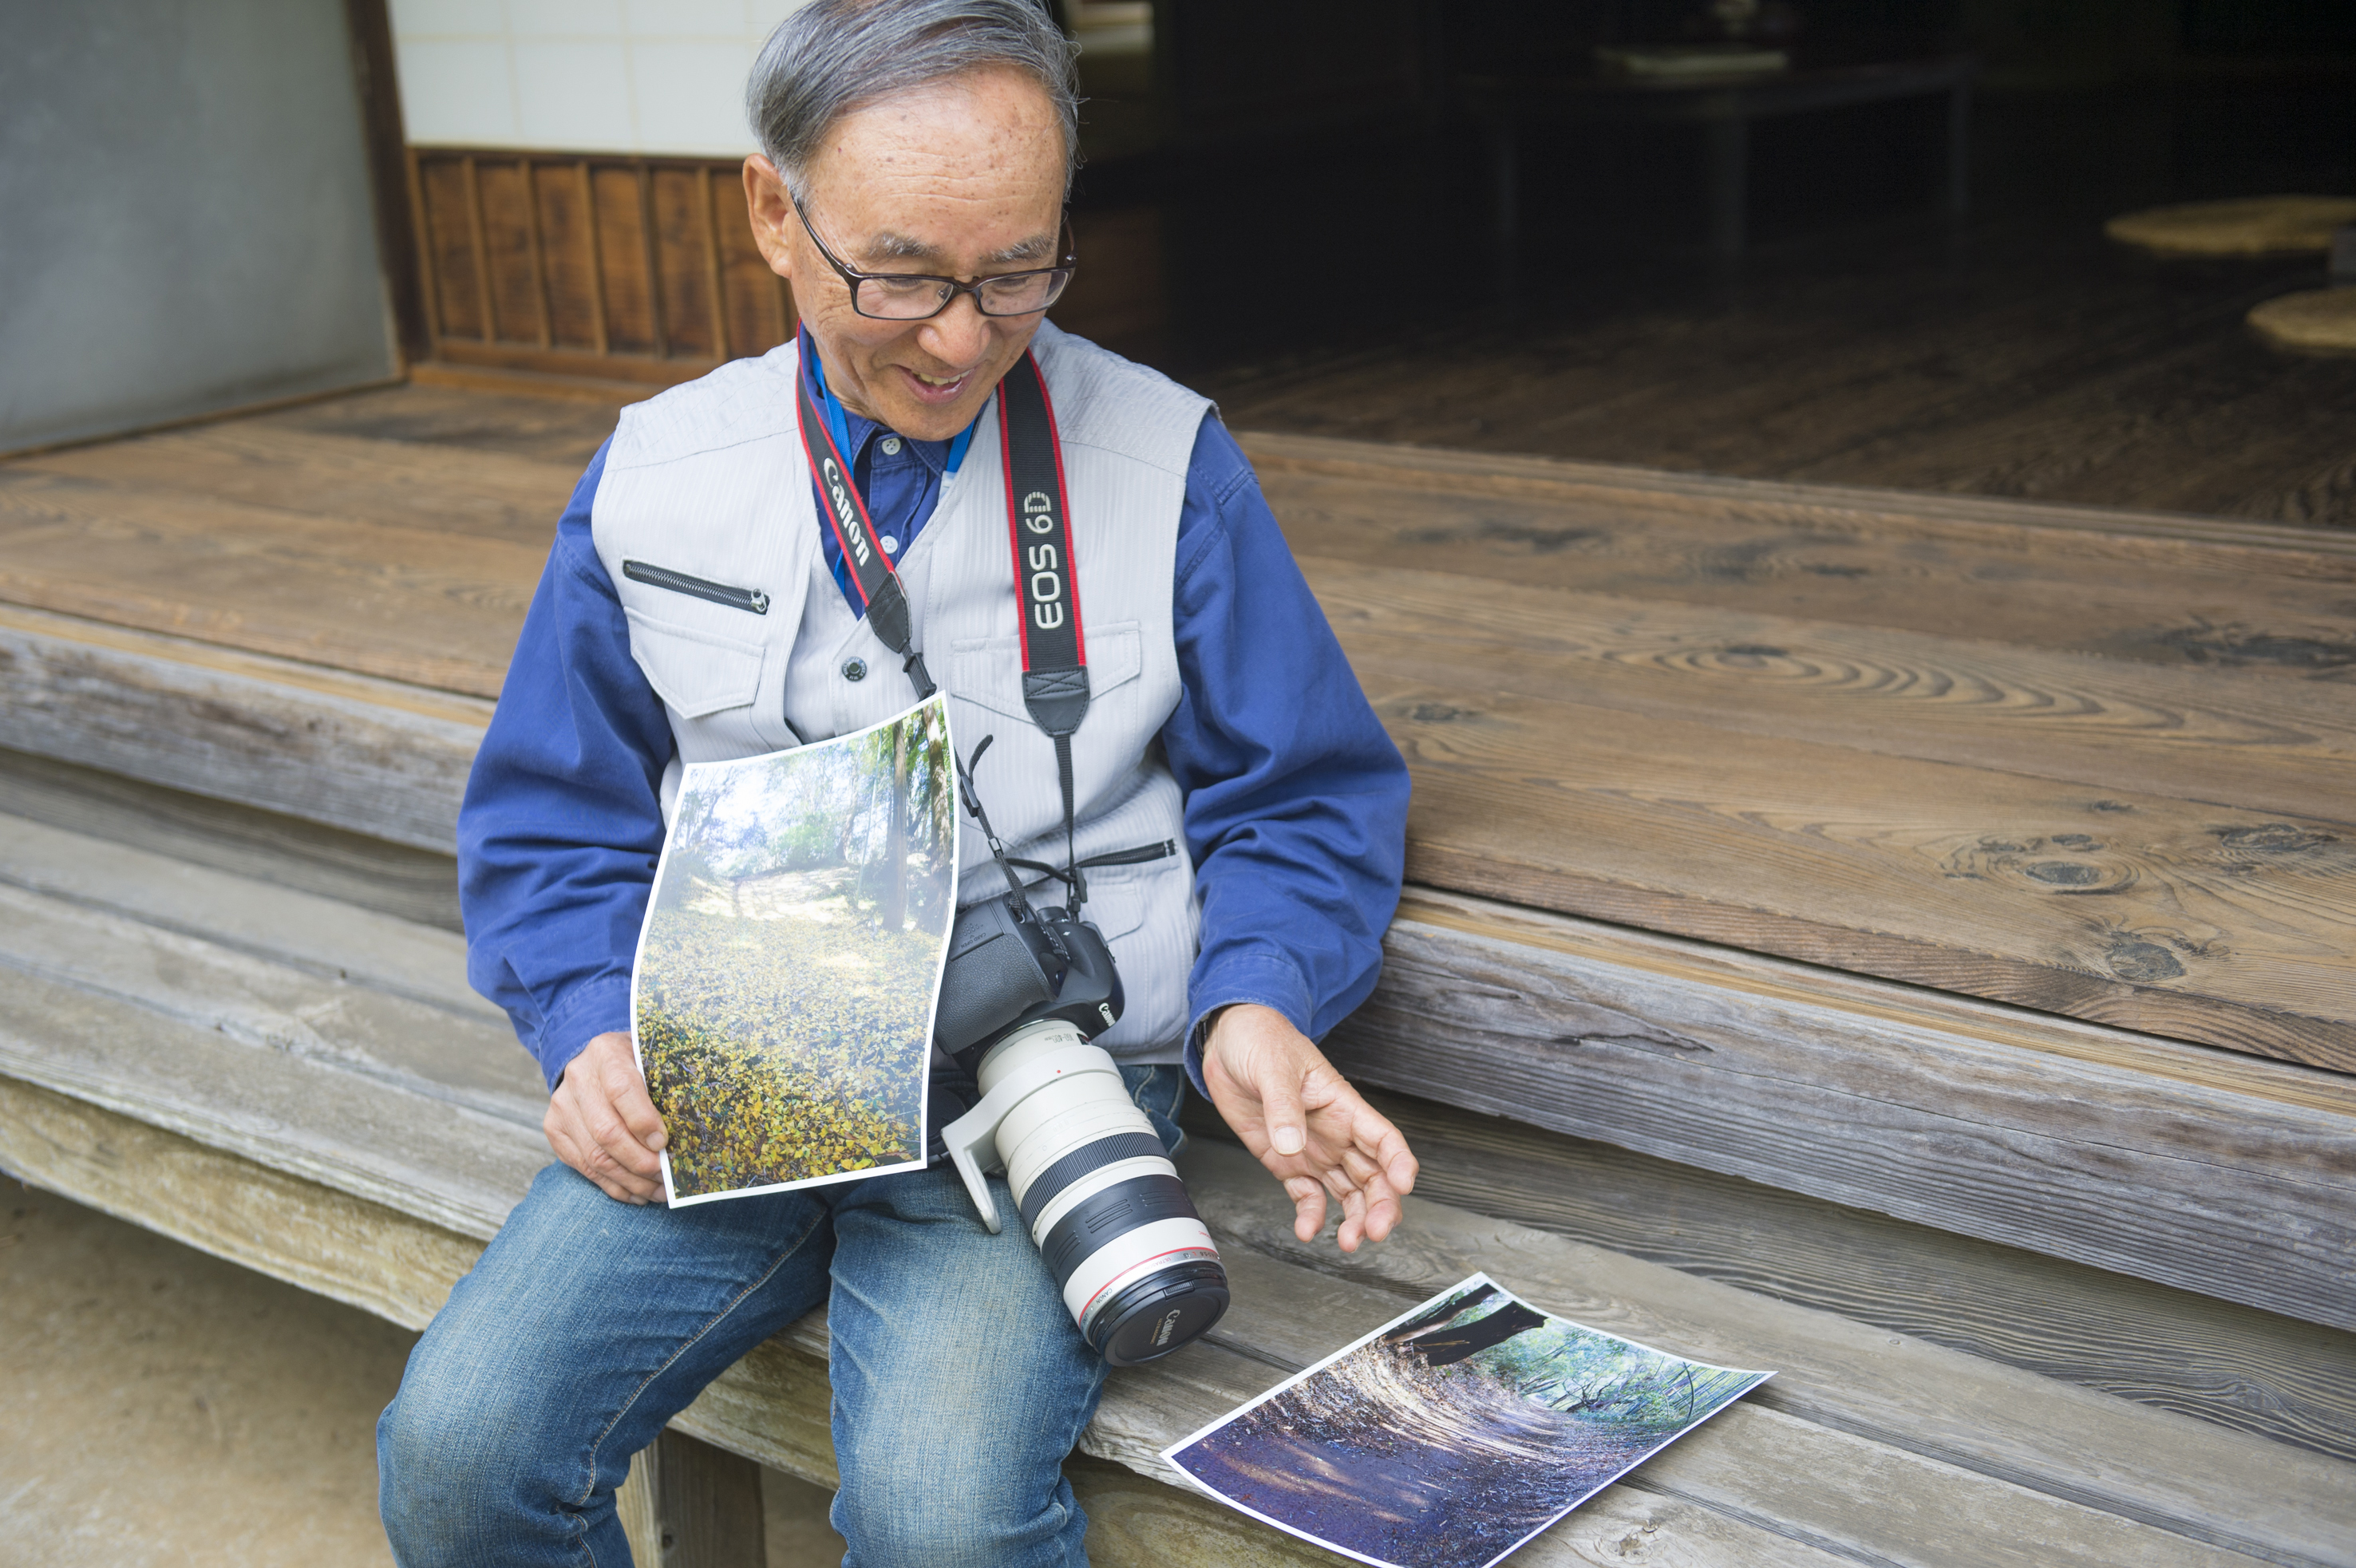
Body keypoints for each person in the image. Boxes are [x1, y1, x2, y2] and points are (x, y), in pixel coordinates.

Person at [375, 3, 1417, 1563]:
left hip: (1043, 1074)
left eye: (1019, 272)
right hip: (738, 1062)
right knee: (460, 1456)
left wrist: (1256, 997)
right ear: (770, 214)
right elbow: (552, 815)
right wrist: (589, 1023)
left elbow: (1309, 795)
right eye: (907, 274)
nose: (959, 336)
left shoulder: (1164, 456)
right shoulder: (654, 470)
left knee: (942, 1527)